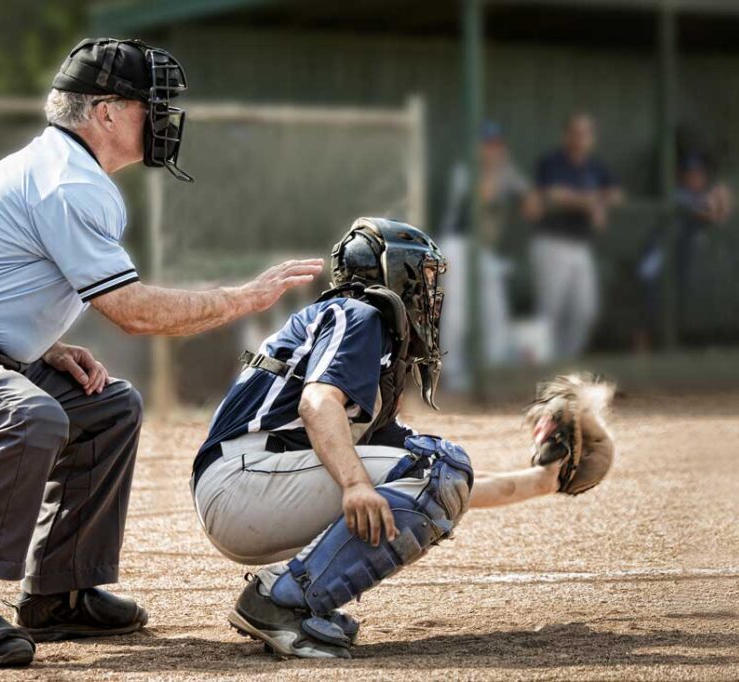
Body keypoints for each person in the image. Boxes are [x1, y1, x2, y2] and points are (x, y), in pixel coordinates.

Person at [0, 38, 321, 668]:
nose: (163, 120)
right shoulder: (68, 180)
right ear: (106, 112)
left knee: (106, 407)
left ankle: (61, 594)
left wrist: (43, 345)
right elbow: (133, 312)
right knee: (27, 414)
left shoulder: (63, 168)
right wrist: (242, 299)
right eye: (151, 105)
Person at [189, 218, 613, 659]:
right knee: (438, 467)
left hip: (251, 483)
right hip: (246, 480)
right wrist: (354, 485)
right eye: (426, 275)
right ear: (395, 273)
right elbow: (317, 404)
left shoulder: (360, 340)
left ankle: (290, 601)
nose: (432, 293)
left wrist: (544, 480)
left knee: (437, 471)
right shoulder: (360, 313)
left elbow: (442, 486)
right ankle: (280, 602)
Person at [437, 121, 539, 389]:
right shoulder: (465, 170)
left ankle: (493, 373)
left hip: (485, 252)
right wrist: (501, 171)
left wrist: (523, 189)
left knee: (495, 313)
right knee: (457, 313)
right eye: (486, 145)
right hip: (457, 246)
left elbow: (533, 209)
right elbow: (485, 193)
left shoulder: (507, 171)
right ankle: (454, 374)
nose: (491, 150)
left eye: (495, 144)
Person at [530, 113, 623, 359]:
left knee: (586, 311)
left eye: (587, 133)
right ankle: (543, 365)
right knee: (550, 312)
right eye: (577, 133)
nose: (582, 138)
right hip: (552, 243)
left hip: (581, 247)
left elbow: (616, 194)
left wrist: (599, 203)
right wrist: (591, 203)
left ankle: (563, 363)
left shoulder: (595, 166)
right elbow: (554, 195)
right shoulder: (553, 162)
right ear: (567, 136)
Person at [635, 153, 733, 349]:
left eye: (698, 174)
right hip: (660, 253)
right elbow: (707, 212)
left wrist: (721, 197)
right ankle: (641, 347)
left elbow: (719, 213)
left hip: (681, 259)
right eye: (690, 174)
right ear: (682, 177)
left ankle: (672, 344)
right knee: (649, 293)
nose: (694, 178)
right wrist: (715, 201)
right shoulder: (677, 194)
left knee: (679, 300)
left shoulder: (700, 195)